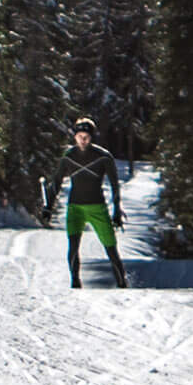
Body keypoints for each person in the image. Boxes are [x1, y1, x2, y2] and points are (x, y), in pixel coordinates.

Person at [44, 117, 130, 289]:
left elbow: (115, 185)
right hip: (75, 207)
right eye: (80, 135)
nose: (83, 139)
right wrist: (48, 207)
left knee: (110, 246)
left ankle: (122, 283)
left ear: (91, 138)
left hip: (97, 207)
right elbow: (57, 182)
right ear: (74, 137)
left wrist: (117, 210)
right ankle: (75, 283)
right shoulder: (68, 157)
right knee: (73, 245)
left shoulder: (104, 157)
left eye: (86, 136)